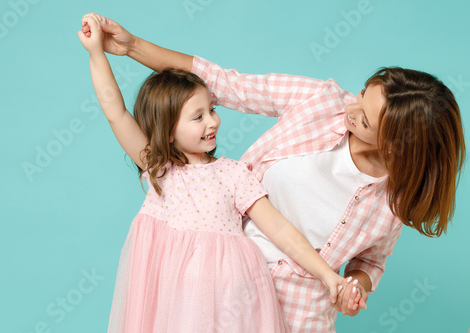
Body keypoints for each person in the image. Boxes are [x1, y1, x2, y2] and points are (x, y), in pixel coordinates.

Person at [84, 13, 467, 332]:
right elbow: (221, 83)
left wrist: (350, 286)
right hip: (218, 293)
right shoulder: (322, 101)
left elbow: (366, 263)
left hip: (299, 313)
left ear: (396, 145)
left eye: (364, 119)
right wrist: (127, 47)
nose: (349, 109)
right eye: (361, 93)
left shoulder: (394, 200)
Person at [78, 13, 347, 333]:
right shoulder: (160, 169)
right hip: (175, 301)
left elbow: (281, 230)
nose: (213, 122)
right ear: (167, 130)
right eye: (198, 117)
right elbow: (116, 112)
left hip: (231, 302)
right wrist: (96, 53)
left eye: (213, 110)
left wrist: (328, 275)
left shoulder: (234, 174)